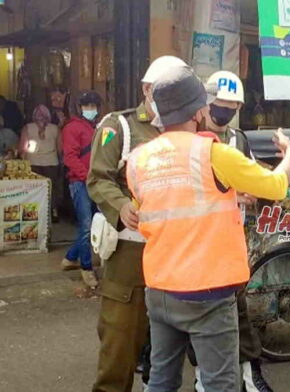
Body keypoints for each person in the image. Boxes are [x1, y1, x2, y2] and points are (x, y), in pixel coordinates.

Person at [127, 65, 290, 392]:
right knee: (221, 383)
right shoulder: (212, 153)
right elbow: (276, 186)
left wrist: (231, 193)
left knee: (161, 378)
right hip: (207, 292)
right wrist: (289, 154)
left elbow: (164, 204)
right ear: (199, 110)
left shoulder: (139, 160)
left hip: (160, 288)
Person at [87, 55, 186, 392]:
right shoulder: (119, 127)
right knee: (119, 344)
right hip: (130, 253)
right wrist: (121, 206)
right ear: (147, 89)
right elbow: (98, 179)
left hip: (175, 254)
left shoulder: (185, 129)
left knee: (166, 349)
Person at [186, 69, 273, 392]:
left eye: (233, 107)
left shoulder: (238, 140)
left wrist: (250, 193)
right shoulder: (189, 138)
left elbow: (251, 177)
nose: (225, 112)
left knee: (238, 308)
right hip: (197, 238)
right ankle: (201, 377)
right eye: (221, 105)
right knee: (199, 312)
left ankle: (251, 373)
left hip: (233, 237)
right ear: (206, 102)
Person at [62, 91, 101, 288]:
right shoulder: (72, 128)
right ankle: (86, 268)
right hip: (79, 182)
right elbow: (70, 158)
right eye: (87, 106)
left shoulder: (97, 127)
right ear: (80, 108)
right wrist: (87, 177)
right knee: (86, 225)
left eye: (93, 106)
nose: (91, 110)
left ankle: (70, 257)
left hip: (94, 181)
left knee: (94, 224)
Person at [20, 104, 63, 221]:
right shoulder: (55, 128)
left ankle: (33, 212)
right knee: (51, 189)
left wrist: (22, 162)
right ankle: (53, 212)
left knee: (33, 189)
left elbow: (23, 149)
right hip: (52, 164)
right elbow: (60, 149)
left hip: (33, 164)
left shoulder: (27, 128)